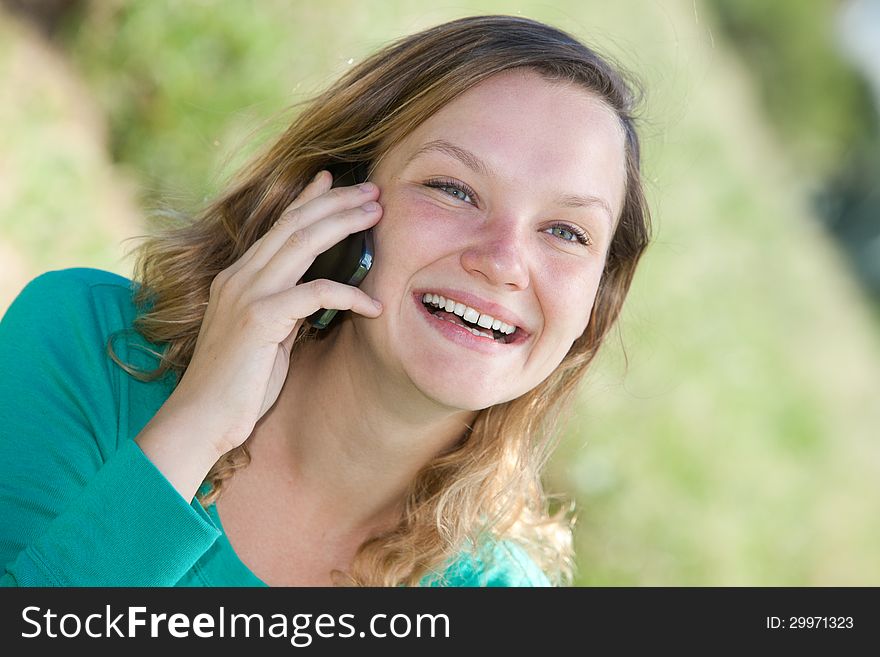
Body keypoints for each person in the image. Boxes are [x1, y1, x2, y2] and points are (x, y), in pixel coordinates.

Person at [0, 14, 651, 587]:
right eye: (454, 189)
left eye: (567, 232)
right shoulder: (85, 346)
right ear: (336, 199)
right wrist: (195, 428)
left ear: (593, 307)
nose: (504, 261)